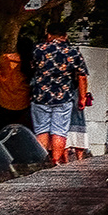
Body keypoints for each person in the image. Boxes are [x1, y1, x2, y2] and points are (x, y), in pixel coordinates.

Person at [29, 21, 88, 163]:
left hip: (40, 96)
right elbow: (82, 76)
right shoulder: (73, 52)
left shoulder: (37, 49)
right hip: (63, 97)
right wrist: (82, 97)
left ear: (48, 35)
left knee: (41, 130)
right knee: (60, 131)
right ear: (65, 36)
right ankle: (55, 160)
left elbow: (31, 69)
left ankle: (41, 161)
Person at [0, 40, 32, 130]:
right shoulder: (29, 63)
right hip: (23, 101)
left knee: (2, 130)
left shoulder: (4, 59)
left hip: (4, 99)